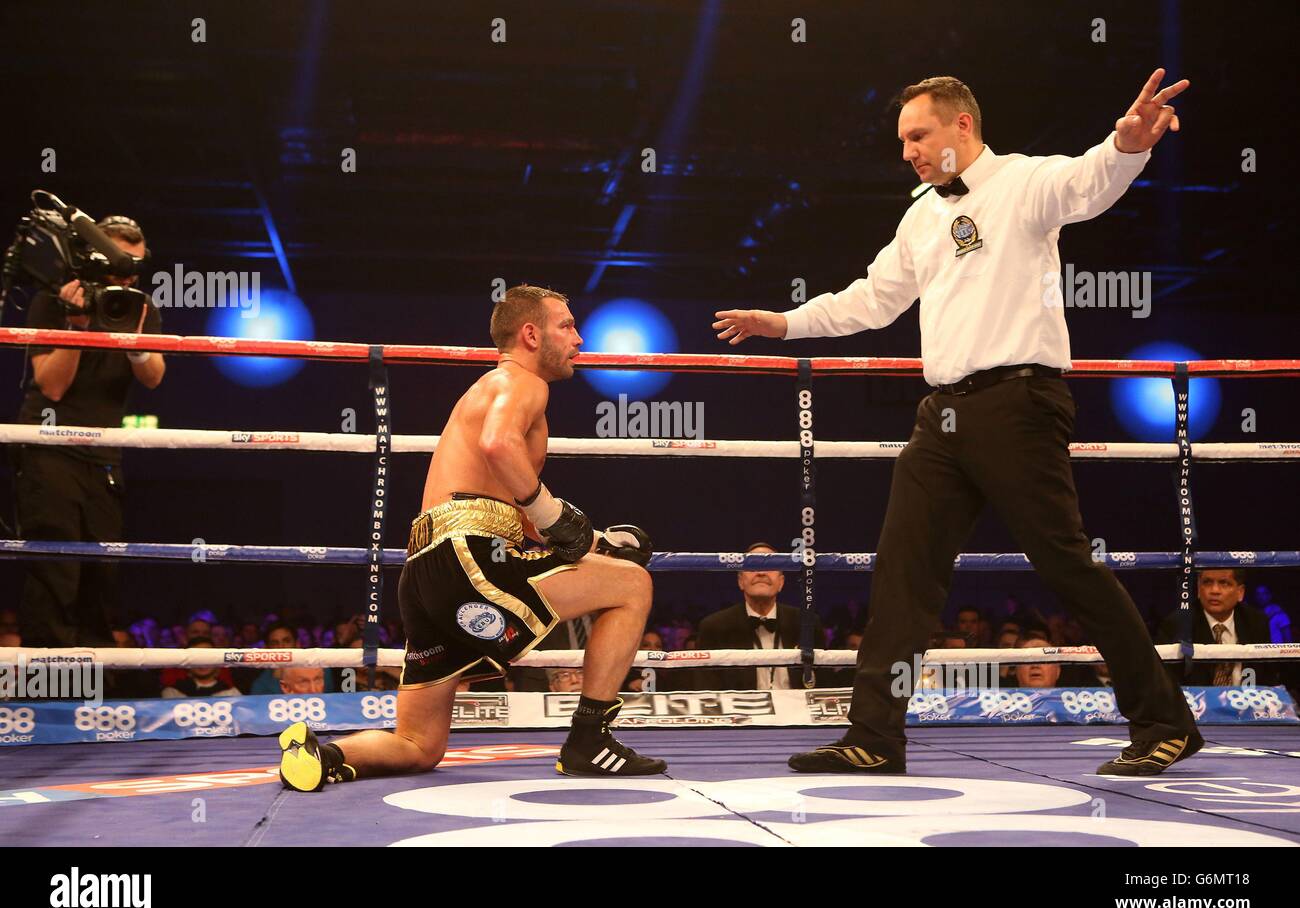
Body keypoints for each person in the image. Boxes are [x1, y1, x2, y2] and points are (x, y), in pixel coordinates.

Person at [714, 70, 1200, 777]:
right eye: (903, 139)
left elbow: (1088, 183)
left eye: (919, 135)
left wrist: (1126, 147)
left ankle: (1163, 720)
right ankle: (874, 735)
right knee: (903, 573)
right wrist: (782, 322)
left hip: (1018, 403)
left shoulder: (1023, 182)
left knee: (1066, 563)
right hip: (939, 414)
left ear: (962, 126)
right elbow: (871, 300)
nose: (907, 150)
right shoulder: (922, 215)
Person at [277, 284, 662, 792]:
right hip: (469, 558)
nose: (579, 337)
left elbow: (521, 519)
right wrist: (557, 516)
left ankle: (320, 754)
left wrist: (590, 540)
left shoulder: (497, 391)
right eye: (566, 326)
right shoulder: (520, 382)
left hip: (430, 569)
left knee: (418, 745)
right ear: (530, 334)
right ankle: (589, 740)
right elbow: (498, 445)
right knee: (632, 586)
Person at [12, 215, 165, 648]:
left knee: (103, 569)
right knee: (54, 570)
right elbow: (53, 386)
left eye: (134, 265)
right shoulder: (52, 301)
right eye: (117, 264)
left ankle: (94, 691)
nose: (126, 275)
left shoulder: (140, 306)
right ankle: (46, 696)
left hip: (104, 457)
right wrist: (78, 328)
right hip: (50, 450)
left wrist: (135, 347)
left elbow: (154, 376)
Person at [695, 542, 825, 691]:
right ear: (740, 581)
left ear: (781, 583)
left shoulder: (807, 623)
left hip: (798, 711)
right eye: (753, 564)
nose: (761, 572)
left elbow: (824, 684)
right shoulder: (714, 627)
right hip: (741, 712)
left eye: (769, 564)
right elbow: (707, 688)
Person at [1157, 569, 1278, 687]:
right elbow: (1167, 682)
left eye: (1224, 583)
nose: (1214, 591)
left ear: (1240, 592)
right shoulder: (1178, 624)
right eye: (1207, 582)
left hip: (1247, 702)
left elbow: (1268, 678)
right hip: (1196, 705)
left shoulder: (1256, 622)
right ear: (1199, 589)